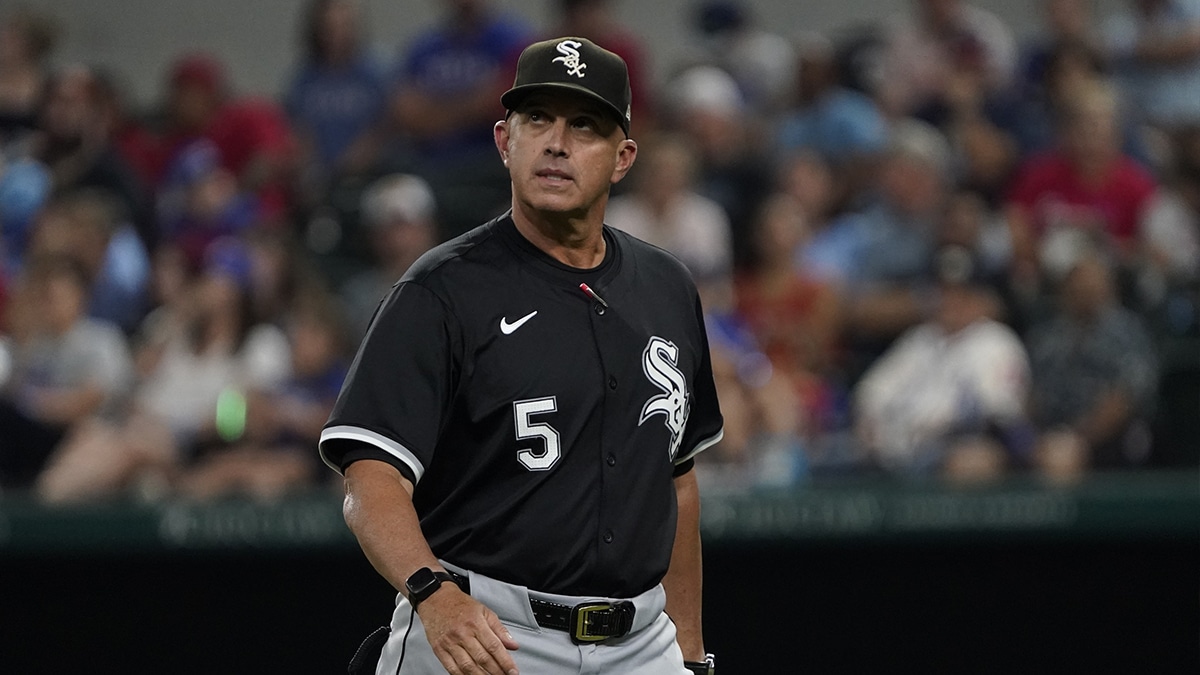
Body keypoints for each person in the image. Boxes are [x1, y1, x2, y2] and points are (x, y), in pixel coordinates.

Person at [320, 37, 722, 675]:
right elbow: (369, 475)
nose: (557, 143)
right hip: (487, 631)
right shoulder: (441, 288)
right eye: (539, 120)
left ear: (622, 158)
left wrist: (692, 654)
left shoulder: (667, 287)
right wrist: (431, 592)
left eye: (584, 125)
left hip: (643, 643)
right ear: (506, 141)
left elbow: (677, 482)